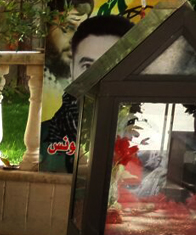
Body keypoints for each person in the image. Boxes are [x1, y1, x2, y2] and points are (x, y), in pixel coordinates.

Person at [41, 14, 135, 172]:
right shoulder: (46, 135)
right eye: (87, 67)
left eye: (112, 67)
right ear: (72, 70)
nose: (97, 78)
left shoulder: (145, 138)